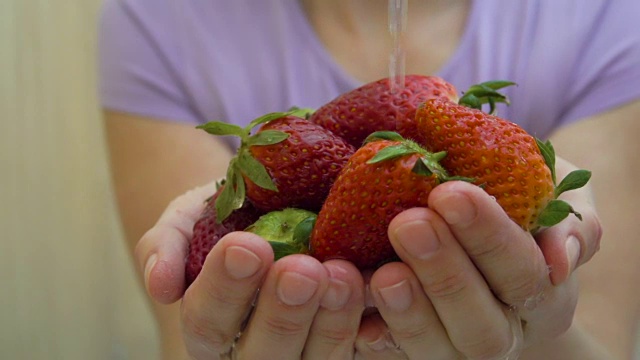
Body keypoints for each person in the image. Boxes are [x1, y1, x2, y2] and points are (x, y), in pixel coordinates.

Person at [99, 0, 640, 359]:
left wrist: (536, 322)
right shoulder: (161, 15)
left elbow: (598, 340)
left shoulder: (604, 14)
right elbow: (192, 330)